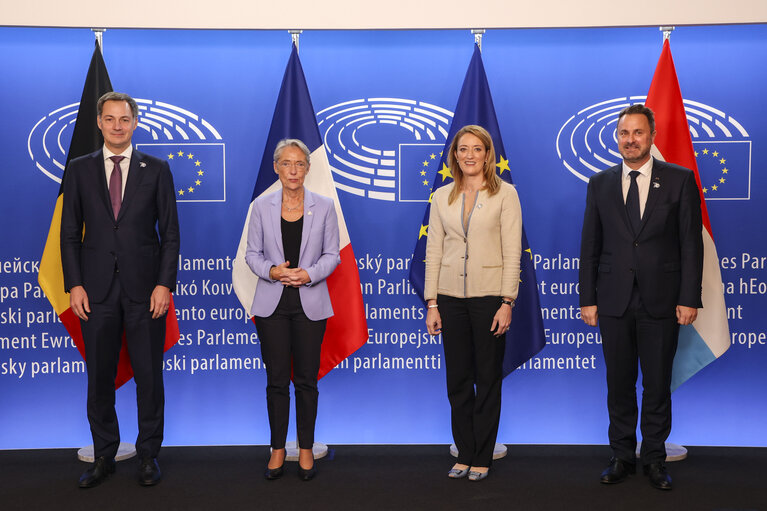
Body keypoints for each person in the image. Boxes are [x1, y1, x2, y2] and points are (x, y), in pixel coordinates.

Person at [579, 104, 703, 490]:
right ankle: (620, 455)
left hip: (662, 300)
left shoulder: (680, 180)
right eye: (623, 133)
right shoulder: (599, 183)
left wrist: (689, 298)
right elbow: (590, 246)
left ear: (652, 137)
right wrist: (587, 298)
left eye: (637, 133)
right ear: (617, 138)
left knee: (657, 383)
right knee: (618, 383)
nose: (630, 140)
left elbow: (690, 245)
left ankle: (653, 458)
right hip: (613, 300)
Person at [61, 92, 180, 488]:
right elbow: (68, 237)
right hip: (94, 293)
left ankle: (148, 455)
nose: (117, 126)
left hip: (146, 292)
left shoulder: (157, 169)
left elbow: (171, 236)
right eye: (109, 119)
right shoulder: (78, 170)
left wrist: (164, 284)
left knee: (149, 377)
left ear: (134, 122)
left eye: (124, 119)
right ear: (99, 122)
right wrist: (74, 284)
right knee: (99, 378)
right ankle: (104, 455)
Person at [424, 125, 522, 482]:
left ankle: (483, 455)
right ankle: (464, 452)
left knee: (487, 379)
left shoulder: (505, 194)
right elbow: (433, 251)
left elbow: (513, 252)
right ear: (455, 156)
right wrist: (432, 303)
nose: (469, 155)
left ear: (487, 154)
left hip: (489, 299)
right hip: (450, 299)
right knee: (458, 381)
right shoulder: (441, 197)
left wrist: (507, 300)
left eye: (476, 149)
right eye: (463, 149)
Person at [245, 138, 340, 481]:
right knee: (275, 381)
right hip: (272, 303)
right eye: (287, 163)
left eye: (299, 163)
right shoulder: (261, 206)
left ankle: (304, 448)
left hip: (310, 303)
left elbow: (333, 255)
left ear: (308, 168)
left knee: (306, 381)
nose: (293, 170)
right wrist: (274, 271)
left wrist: (308, 274)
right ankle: (277, 449)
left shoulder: (325, 206)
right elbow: (251, 255)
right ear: (276, 168)